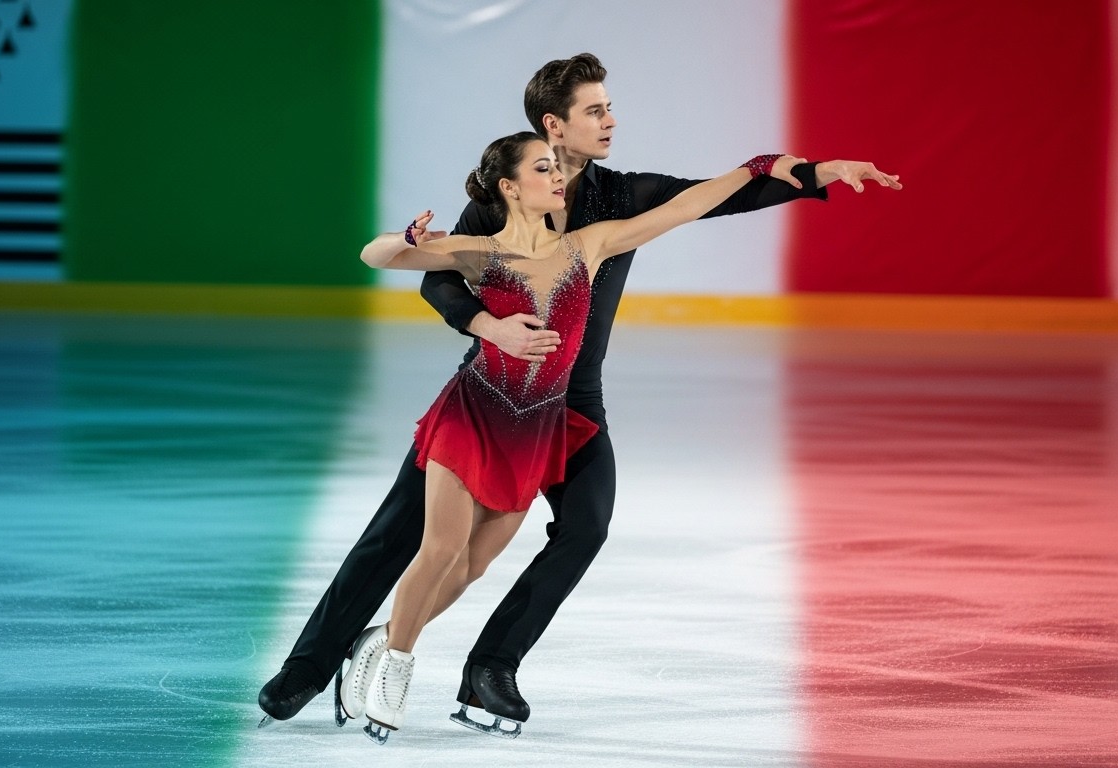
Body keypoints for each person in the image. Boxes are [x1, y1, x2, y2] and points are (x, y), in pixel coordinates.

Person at [258, 53, 901, 739]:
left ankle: (489, 667)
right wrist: (489, 326)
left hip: (573, 401)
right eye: (595, 110)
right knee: (400, 535)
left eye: (608, 107)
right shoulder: (501, 193)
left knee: (584, 526)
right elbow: (438, 276)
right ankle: (309, 666)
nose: (610, 120)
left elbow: (705, 197)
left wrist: (805, 173)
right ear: (552, 127)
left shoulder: (619, 201)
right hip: (492, 393)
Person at [349, 132, 807, 744]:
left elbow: (681, 207)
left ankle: (379, 640)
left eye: (555, 166)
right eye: (542, 167)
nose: (557, 175)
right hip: (474, 414)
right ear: (510, 187)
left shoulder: (587, 245)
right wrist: (405, 239)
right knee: (442, 546)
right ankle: (397, 666)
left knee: (475, 562)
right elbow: (374, 257)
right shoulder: (477, 251)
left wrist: (753, 168)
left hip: (536, 426)